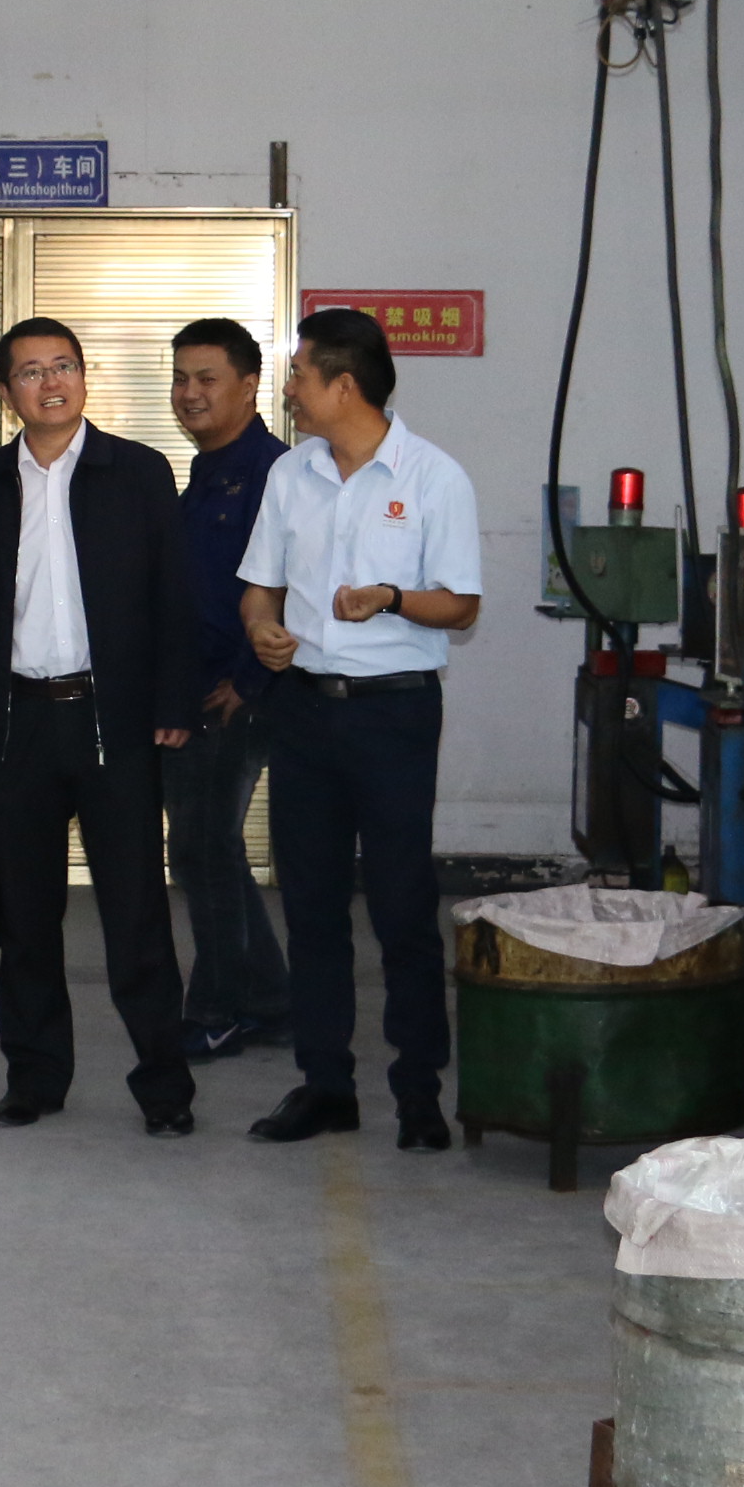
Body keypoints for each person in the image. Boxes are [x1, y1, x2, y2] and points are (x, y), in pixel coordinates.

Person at [0, 319, 203, 1134]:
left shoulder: (139, 471)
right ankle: (35, 1077)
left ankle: (164, 1088)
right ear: (7, 393)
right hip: (16, 723)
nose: (50, 382)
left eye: (62, 366)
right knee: (26, 916)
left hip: (112, 723)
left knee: (136, 913)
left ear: (85, 379)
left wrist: (172, 704)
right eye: (30, 372)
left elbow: (173, 597)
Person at [235, 308, 483, 1151]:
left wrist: (391, 598)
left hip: (394, 714)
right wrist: (261, 630)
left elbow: (461, 605)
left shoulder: (435, 477)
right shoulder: (290, 474)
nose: (289, 390)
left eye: (299, 374)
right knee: (310, 906)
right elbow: (260, 586)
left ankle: (420, 1093)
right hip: (303, 710)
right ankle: (325, 1085)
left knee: (403, 906)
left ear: (344, 385)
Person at [167, 318, 292, 1060]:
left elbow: (291, 586)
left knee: (202, 848)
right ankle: (269, 1000)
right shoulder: (208, 469)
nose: (190, 393)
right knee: (208, 848)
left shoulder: (273, 473)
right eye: (180, 378)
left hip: (236, 696)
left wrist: (246, 682)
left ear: (249, 386)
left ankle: (217, 1009)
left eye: (207, 379)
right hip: (199, 690)